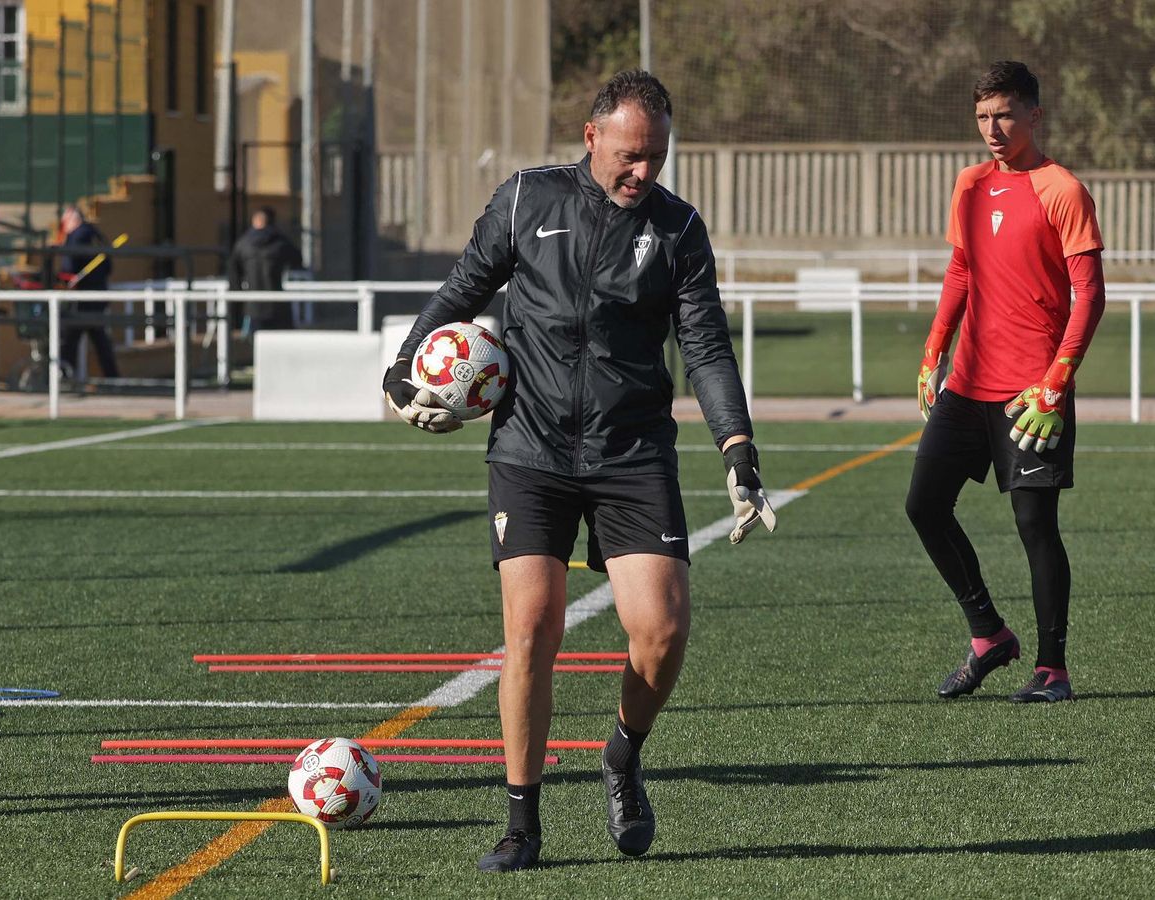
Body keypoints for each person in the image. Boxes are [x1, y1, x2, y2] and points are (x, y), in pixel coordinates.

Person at [383, 70, 777, 872]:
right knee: (531, 629)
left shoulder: (678, 229)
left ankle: (623, 756)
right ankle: (521, 824)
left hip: (632, 450)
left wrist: (736, 446)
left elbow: (704, 346)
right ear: (591, 137)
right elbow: (463, 290)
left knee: (661, 633)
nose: (644, 173)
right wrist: (403, 369)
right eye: (631, 156)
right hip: (528, 449)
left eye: (657, 158)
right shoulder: (526, 200)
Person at [907, 61, 1104, 705]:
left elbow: (1089, 296)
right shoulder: (969, 184)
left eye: (1006, 115)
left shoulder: (1062, 189)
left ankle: (1052, 670)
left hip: (1030, 394)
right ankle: (988, 634)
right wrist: (934, 350)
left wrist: (1056, 384)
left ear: (1035, 115)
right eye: (984, 117)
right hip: (967, 384)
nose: (993, 129)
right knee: (923, 505)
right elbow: (961, 270)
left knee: (1034, 527)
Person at [55, 204, 120, 381]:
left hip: (81, 300)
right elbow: (108, 267)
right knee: (100, 341)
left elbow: (68, 267)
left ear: (72, 219)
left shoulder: (76, 237)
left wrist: (65, 279)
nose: (63, 224)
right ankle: (113, 379)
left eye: (64, 220)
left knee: (69, 341)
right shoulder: (96, 235)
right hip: (98, 298)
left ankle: (66, 379)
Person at [227, 206, 303, 331]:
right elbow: (298, 261)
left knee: (253, 347)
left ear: (254, 221)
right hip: (278, 307)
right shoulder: (281, 243)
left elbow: (234, 276)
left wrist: (237, 305)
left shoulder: (242, 244)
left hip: (252, 308)